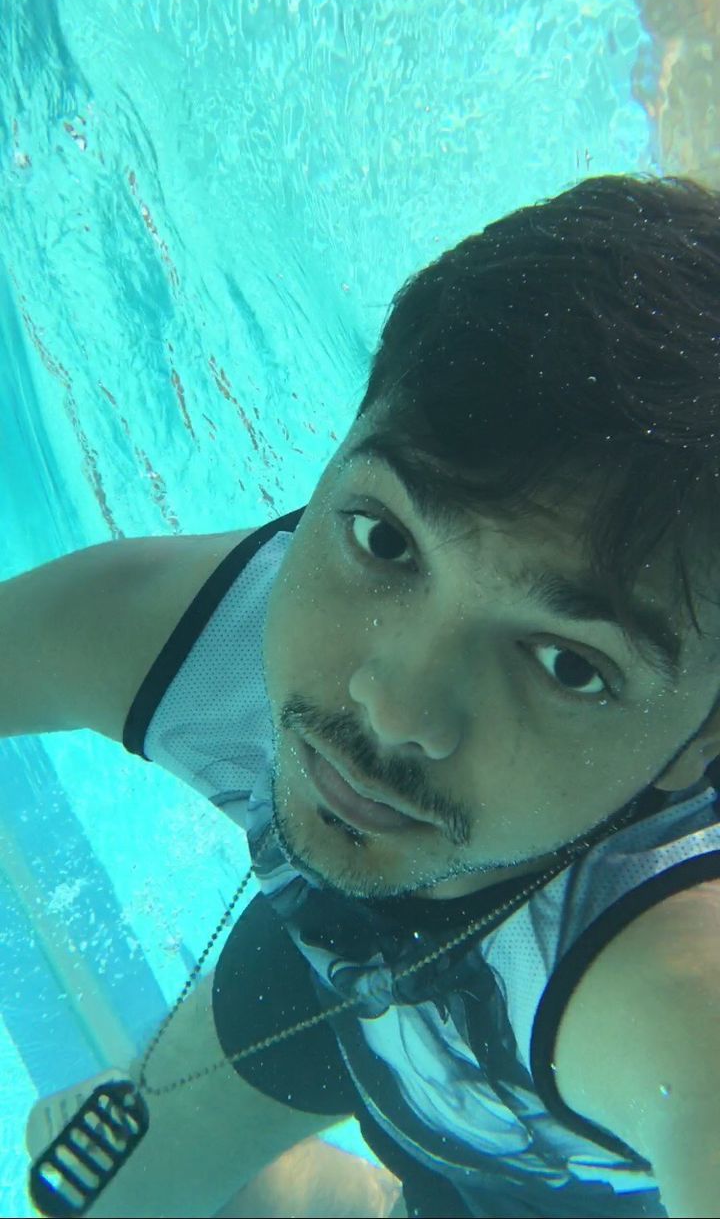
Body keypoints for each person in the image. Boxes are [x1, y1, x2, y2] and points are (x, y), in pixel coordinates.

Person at [11, 171, 720, 1219]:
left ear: (696, 745)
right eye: (388, 538)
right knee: (110, 1198)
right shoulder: (203, 624)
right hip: (330, 968)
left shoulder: (667, 984)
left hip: (529, 1161)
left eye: (569, 662)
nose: (393, 705)